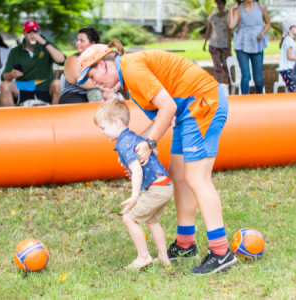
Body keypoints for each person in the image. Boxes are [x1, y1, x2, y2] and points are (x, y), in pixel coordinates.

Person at [78, 41, 237, 275]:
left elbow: (168, 107)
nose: (94, 83)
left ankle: (221, 251)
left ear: (102, 65)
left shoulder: (131, 68)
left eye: (92, 76)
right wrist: (135, 146)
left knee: (197, 178)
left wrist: (150, 144)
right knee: (178, 176)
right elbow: (161, 118)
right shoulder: (129, 82)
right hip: (188, 111)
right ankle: (185, 244)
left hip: (203, 102)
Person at [94, 99, 173, 269]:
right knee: (151, 220)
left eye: (103, 128)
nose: (102, 132)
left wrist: (134, 196)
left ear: (116, 123)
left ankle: (143, 257)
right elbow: (155, 151)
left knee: (129, 218)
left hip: (156, 189)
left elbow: (137, 171)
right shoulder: (132, 137)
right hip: (165, 184)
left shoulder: (123, 143)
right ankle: (164, 258)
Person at [0, 20, 66, 106]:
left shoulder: (47, 45)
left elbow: (63, 60)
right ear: (24, 33)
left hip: (45, 85)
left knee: (58, 84)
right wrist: (12, 74)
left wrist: (44, 43)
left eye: (35, 32)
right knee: (4, 85)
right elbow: (4, 76)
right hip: (23, 86)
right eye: (29, 32)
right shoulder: (15, 51)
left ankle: (55, 117)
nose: (32, 35)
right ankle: (12, 118)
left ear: (39, 32)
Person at [61, 27, 118, 104]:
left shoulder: (104, 58)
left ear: (93, 44)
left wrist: (110, 90)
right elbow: (76, 79)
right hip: (76, 94)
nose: (77, 43)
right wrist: (101, 86)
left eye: (82, 40)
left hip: (100, 93)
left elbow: (117, 76)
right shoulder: (73, 58)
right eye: (77, 40)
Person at [227, 0, 271, 94]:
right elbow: (231, 25)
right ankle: (245, 102)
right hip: (242, 44)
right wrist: (231, 9)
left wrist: (263, 32)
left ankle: (259, 100)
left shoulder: (261, 6)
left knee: (258, 79)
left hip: (257, 44)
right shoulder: (238, 9)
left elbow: (268, 23)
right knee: (246, 75)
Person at [203, 0, 231, 83]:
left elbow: (229, 29)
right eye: (217, 3)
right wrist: (205, 43)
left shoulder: (228, 16)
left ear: (224, 4)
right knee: (217, 65)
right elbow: (209, 30)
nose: (219, 5)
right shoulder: (212, 17)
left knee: (227, 65)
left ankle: (231, 81)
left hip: (225, 44)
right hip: (214, 44)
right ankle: (220, 84)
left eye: (220, 3)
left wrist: (229, 41)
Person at [277, 20, 296, 93]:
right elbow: (290, 57)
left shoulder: (290, 40)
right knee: (293, 90)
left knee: (294, 89)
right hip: (287, 69)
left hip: (290, 69)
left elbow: (293, 55)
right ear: (289, 29)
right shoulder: (289, 40)